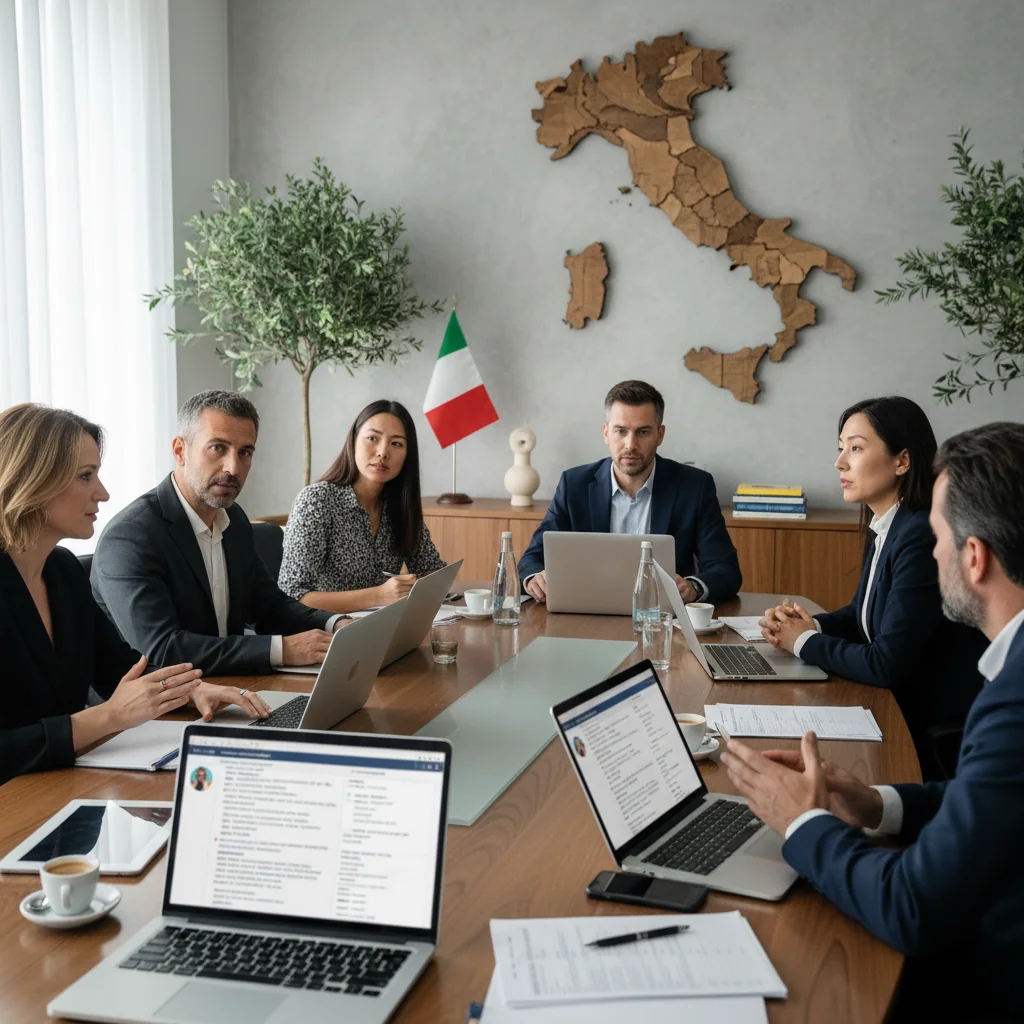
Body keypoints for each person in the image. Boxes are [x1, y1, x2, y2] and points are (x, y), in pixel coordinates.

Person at [721, 421, 1024, 1020]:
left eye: (938, 537)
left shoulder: (1014, 701)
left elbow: (912, 907)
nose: (930, 550)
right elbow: (992, 803)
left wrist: (801, 821)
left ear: (973, 556)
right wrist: (875, 803)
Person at [0, 403, 268, 786]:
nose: (103, 493)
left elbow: (121, 668)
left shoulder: (61, 570)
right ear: (32, 479)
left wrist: (195, 691)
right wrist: (109, 716)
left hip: (67, 788)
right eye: (86, 476)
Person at [759, 396, 986, 753]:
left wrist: (802, 642)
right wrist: (806, 625)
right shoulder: (888, 524)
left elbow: (885, 663)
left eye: (856, 449)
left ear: (902, 461)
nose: (839, 463)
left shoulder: (920, 533)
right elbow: (862, 614)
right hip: (897, 707)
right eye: (840, 449)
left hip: (925, 727)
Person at [92, 391, 343, 676]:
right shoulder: (130, 536)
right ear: (179, 451)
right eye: (217, 448)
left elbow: (269, 607)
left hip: (230, 684)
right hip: (159, 707)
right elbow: (164, 649)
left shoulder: (233, 519)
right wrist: (282, 650)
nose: (233, 468)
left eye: (245, 452)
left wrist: (337, 624)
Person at [519, 380, 741, 604]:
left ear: (660, 435)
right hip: (586, 611)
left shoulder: (694, 487)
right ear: (606, 433)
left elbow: (725, 569)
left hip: (660, 619)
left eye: (643, 432)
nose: (630, 444)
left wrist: (693, 587)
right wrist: (534, 580)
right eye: (620, 431)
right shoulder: (574, 484)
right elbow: (532, 559)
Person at [278, 400, 445, 613]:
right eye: (372, 438)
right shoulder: (317, 500)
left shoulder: (401, 505)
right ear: (353, 441)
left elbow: (430, 570)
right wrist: (378, 595)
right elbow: (291, 595)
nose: (383, 452)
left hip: (381, 626)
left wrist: (425, 582)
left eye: (396, 444)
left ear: (407, 455)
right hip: (325, 631)